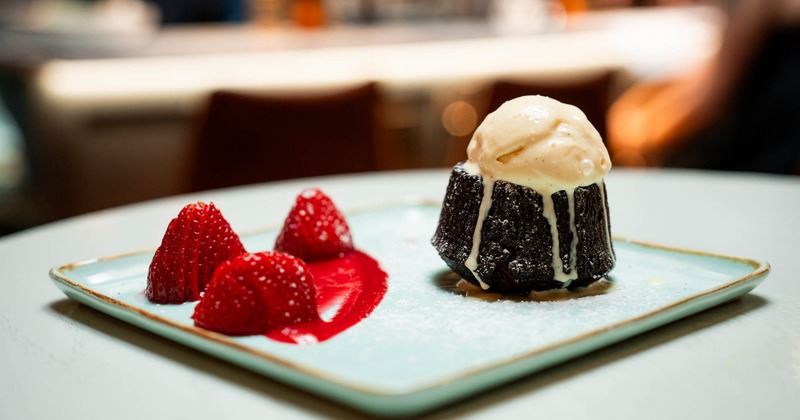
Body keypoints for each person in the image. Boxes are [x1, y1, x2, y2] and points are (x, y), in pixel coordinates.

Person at [607, 0, 800, 174]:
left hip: (750, 158)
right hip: (763, 143)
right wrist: (649, 100)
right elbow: (719, 65)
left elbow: (711, 99)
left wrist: (642, 132)